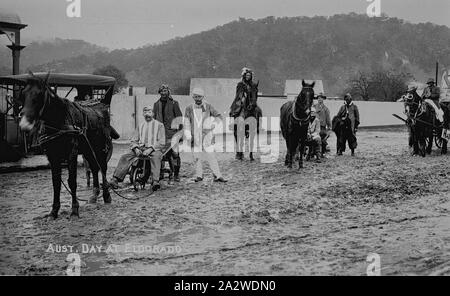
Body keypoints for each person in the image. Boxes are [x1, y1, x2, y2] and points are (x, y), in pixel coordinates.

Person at [109, 107, 165, 191]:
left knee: (156, 157)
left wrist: (150, 149)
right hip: (141, 148)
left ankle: (155, 181)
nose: (147, 114)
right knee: (125, 156)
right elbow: (134, 139)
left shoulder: (159, 125)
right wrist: (136, 149)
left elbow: (161, 141)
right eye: (145, 112)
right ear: (143, 114)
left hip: (154, 149)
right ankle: (115, 179)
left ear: (153, 114)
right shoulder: (141, 125)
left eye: (149, 112)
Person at [184, 88, 227, 183]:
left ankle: (217, 175)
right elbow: (186, 122)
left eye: (199, 96)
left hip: (207, 135)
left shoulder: (208, 106)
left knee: (211, 156)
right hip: (194, 135)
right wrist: (188, 134)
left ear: (203, 97)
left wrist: (212, 125)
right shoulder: (189, 108)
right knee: (196, 157)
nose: (197, 99)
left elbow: (219, 116)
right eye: (195, 96)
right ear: (193, 97)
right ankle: (199, 175)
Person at [153, 84, 183, 182]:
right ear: (159, 92)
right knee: (160, 154)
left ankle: (176, 174)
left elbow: (179, 119)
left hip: (173, 134)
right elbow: (153, 119)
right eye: (162, 91)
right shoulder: (156, 104)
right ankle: (160, 173)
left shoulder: (174, 103)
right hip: (160, 135)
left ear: (168, 91)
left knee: (175, 154)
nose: (163, 93)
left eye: (165, 91)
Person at [229, 67, 259, 161]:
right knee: (239, 114)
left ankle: (258, 125)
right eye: (247, 75)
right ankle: (239, 151)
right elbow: (238, 94)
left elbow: (255, 94)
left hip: (251, 103)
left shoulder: (253, 85)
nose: (248, 77)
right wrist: (243, 96)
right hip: (242, 102)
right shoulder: (240, 84)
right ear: (244, 76)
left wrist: (253, 101)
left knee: (258, 111)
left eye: (249, 75)